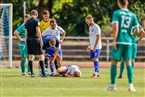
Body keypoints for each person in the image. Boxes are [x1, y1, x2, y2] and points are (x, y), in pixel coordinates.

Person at [107, 0, 140, 91]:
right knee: (129, 63)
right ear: (127, 3)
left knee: (114, 62)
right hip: (129, 42)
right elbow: (138, 31)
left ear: (119, 3)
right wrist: (131, 37)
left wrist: (114, 40)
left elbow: (115, 27)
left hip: (119, 41)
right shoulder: (133, 15)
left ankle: (113, 85)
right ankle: (131, 85)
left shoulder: (116, 13)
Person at [25, 9, 46, 77]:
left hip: (28, 39)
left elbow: (26, 32)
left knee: (30, 56)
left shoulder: (27, 22)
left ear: (31, 14)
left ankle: (32, 73)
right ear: (36, 15)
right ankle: (43, 73)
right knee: (41, 55)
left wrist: (27, 39)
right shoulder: (36, 21)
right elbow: (38, 30)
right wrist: (41, 40)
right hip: (35, 39)